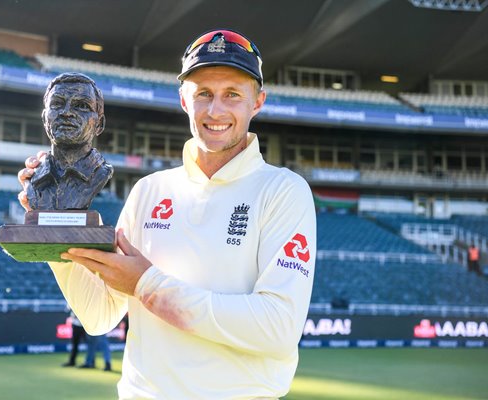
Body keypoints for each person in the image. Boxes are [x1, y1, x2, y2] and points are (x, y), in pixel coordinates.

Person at [19, 29, 316, 399]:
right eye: (203, 93)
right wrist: (54, 231)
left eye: (232, 95)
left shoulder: (282, 191)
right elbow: (99, 316)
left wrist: (147, 284)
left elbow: (278, 328)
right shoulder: (150, 190)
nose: (215, 110)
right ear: (183, 100)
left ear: (257, 102)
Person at [24, 72, 113, 211]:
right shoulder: (34, 177)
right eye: (57, 104)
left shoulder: (101, 173)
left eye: (82, 106)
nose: (66, 112)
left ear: (99, 124)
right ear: (44, 119)